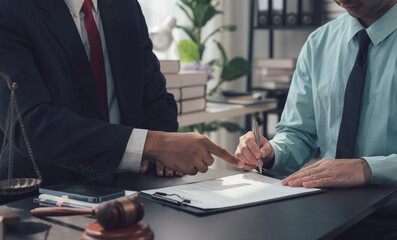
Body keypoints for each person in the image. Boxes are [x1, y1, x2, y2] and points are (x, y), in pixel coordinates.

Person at [0, 0, 244, 189]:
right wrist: (155, 145)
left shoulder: (124, 6)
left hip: (136, 192)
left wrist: (162, 151)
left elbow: (155, 98)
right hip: (44, 198)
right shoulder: (10, 10)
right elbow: (30, 125)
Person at [236, 0, 397, 238]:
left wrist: (367, 168)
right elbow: (298, 132)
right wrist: (271, 153)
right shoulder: (318, 44)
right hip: (325, 215)